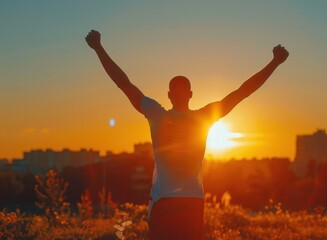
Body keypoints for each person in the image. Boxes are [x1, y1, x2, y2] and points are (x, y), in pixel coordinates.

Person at [85, 30, 289, 239]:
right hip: (192, 202)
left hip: (163, 201)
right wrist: (274, 63)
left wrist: (98, 48)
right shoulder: (204, 117)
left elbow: (124, 83)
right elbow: (243, 91)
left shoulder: (157, 115)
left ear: (169, 95)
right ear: (191, 95)